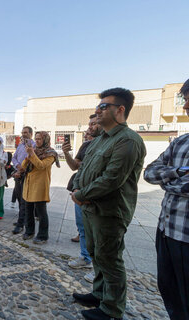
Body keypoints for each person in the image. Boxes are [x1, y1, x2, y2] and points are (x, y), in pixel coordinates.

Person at [71, 88, 146, 320]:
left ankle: (112, 309)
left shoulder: (128, 141)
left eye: (104, 106)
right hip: (91, 207)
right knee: (96, 253)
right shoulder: (100, 139)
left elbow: (112, 179)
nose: (98, 110)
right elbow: (83, 167)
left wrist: (82, 193)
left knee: (110, 258)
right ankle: (99, 294)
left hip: (110, 211)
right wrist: (77, 188)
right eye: (98, 106)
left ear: (120, 110)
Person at [143, 79, 189, 320]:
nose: (185, 107)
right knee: (170, 293)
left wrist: (169, 182)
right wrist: (179, 173)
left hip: (187, 237)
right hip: (166, 232)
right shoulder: (181, 142)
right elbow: (150, 172)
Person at [62, 115, 101, 277]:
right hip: (80, 192)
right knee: (82, 227)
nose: (90, 127)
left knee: (97, 231)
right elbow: (74, 166)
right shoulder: (86, 145)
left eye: (94, 124)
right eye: (89, 124)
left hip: (96, 194)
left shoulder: (107, 145)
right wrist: (66, 154)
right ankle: (85, 257)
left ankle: (99, 268)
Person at [21, 131, 59, 244]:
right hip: (29, 184)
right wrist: (28, 156)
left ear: (45, 140)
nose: (37, 141)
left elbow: (41, 166)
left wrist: (32, 154)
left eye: (39, 139)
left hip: (40, 186)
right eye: (36, 139)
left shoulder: (51, 153)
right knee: (28, 210)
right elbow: (23, 166)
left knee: (41, 212)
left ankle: (43, 236)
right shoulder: (35, 151)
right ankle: (29, 231)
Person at [12, 126, 36, 234]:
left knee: (24, 200)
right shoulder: (20, 145)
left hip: (27, 175)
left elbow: (32, 160)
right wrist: (18, 166)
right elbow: (14, 158)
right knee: (18, 197)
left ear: (31, 133)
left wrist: (23, 169)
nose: (23, 134)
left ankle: (20, 224)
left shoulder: (34, 145)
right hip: (18, 174)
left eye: (26, 132)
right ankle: (22, 218)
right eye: (22, 132)